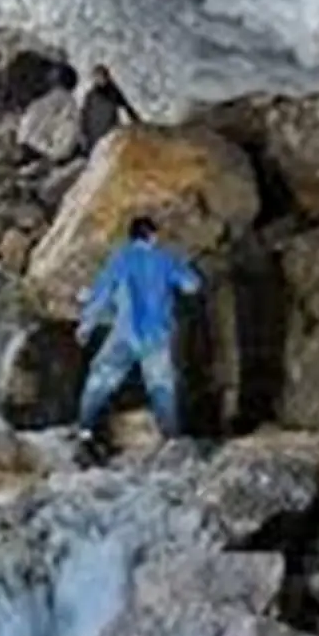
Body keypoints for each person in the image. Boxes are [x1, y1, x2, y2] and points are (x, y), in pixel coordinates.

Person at [73, 215, 202, 460]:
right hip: (156, 337)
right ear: (152, 235)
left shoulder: (120, 258)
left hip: (123, 334)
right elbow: (192, 286)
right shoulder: (166, 259)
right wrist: (184, 263)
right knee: (162, 386)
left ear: (131, 237)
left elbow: (101, 294)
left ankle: (85, 432)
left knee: (100, 379)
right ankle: (172, 440)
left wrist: (86, 326)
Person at [79, 64, 141, 154]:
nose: (99, 79)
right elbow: (84, 114)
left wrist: (137, 122)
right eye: (97, 77)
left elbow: (127, 107)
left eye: (101, 76)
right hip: (95, 134)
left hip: (108, 132)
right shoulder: (91, 95)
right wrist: (83, 133)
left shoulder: (113, 92)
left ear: (107, 76)